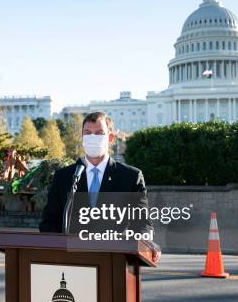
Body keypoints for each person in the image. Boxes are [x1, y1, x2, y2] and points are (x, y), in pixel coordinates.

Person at [39, 111, 160, 262]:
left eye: (99, 133)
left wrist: (145, 241)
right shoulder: (63, 177)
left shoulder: (130, 177)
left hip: (114, 261)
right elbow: (49, 222)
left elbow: (143, 223)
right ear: (82, 138)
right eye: (88, 133)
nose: (92, 138)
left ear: (110, 138)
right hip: (71, 262)